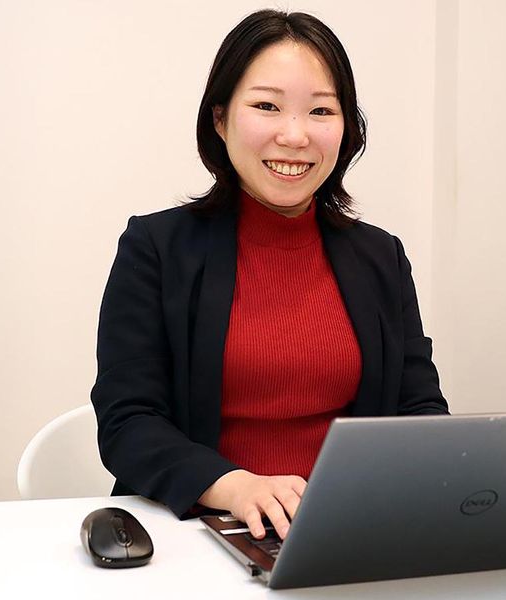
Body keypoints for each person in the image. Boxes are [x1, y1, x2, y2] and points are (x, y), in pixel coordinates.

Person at [91, 9, 448, 541]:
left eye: (321, 110)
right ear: (220, 119)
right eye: (266, 106)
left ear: (346, 127)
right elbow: (128, 421)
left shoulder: (381, 256)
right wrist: (234, 486)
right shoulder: (156, 247)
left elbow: (418, 409)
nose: (295, 135)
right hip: (202, 530)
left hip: (346, 529)